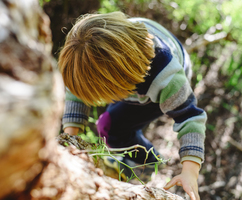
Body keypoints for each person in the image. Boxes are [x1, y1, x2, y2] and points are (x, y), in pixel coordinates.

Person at [58, 11, 207, 200]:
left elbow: (190, 117)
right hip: (132, 69)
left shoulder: (165, 79)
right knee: (107, 122)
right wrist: (70, 139)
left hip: (161, 82)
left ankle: (148, 163)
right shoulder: (91, 54)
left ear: (124, 89)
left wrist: (190, 171)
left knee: (110, 128)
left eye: (105, 95)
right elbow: (75, 89)